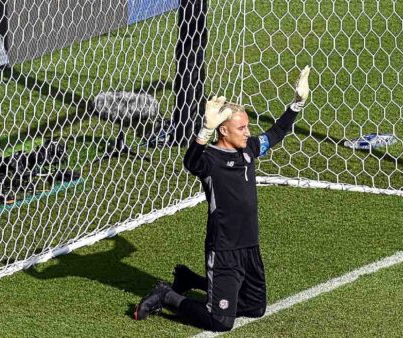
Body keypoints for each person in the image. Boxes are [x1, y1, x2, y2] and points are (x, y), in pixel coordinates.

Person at [133, 66, 311, 331]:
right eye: (241, 127)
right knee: (220, 321)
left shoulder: (248, 150)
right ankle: (166, 296)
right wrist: (205, 130)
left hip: (249, 245)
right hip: (224, 248)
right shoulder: (210, 161)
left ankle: (190, 279)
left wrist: (297, 103)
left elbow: (276, 133)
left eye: (248, 126)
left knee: (254, 307)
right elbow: (190, 162)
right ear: (224, 131)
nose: (248, 132)